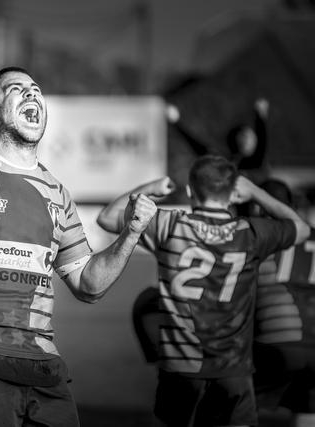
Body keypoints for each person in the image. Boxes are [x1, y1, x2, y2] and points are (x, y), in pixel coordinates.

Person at [0, 66, 157, 427]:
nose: (31, 94)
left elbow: (89, 284)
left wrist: (131, 233)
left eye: (35, 89)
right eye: (16, 89)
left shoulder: (57, 192)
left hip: (44, 367)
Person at [97, 155, 310, 427]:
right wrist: (256, 191)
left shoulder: (169, 225)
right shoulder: (250, 232)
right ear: (234, 193)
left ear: (189, 191)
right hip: (232, 369)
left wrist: (149, 188)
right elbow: (301, 229)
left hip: (180, 368)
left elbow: (107, 218)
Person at [252, 179, 315, 427]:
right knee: (308, 410)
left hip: (278, 343)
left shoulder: (259, 240)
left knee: (230, 400)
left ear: (257, 208)